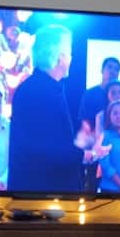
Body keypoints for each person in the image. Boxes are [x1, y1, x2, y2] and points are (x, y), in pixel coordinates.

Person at [9, 25, 110, 193]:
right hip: (42, 193)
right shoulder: (40, 91)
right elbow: (46, 148)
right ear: (60, 57)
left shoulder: (39, 87)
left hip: (43, 191)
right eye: (69, 52)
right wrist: (89, 155)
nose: (71, 58)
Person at [0, 24, 33, 107]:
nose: (13, 41)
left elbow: (28, 71)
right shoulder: (0, 51)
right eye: (9, 40)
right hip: (4, 92)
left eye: (15, 37)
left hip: (20, 95)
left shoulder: (25, 53)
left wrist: (20, 76)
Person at [77, 57, 120, 130]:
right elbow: (84, 121)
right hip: (94, 134)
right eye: (109, 67)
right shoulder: (90, 94)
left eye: (116, 69)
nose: (112, 71)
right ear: (102, 70)